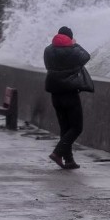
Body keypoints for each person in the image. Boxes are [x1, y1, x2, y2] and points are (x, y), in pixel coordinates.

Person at [43, 26, 90, 170]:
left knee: (65, 127)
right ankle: (57, 153)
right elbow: (86, 56)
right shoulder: (73, 50)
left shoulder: (48, 50)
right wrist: (75, 44)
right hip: (69, 93)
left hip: (55, 94)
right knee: (76, 127)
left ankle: (69, 160)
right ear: (70, 38)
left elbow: (47, 66)